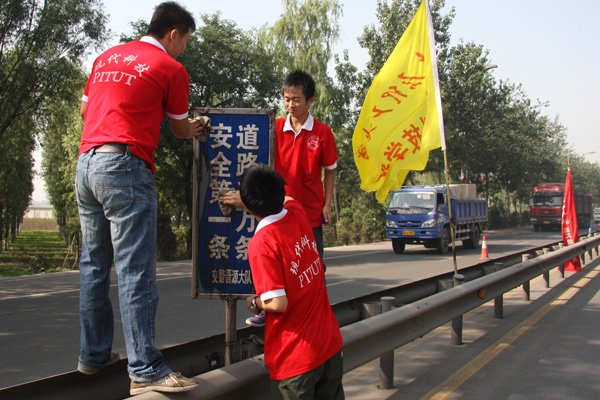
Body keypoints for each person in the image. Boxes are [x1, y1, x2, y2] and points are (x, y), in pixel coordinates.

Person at [76, 2, 207, 395]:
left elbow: (86, 110)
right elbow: (180, 129)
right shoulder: (170, 67)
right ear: (174, 34)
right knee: (136, 272)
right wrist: (198, 127)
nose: (183, 48)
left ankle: (93, 354)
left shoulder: (106, 57)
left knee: (94, 266)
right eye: (185, 40)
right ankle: (145, 367)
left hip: (86, 164)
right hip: (125, 168)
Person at [221, 70, 338, 328]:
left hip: (309, 215)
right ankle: (268, 308)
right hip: (275, 211)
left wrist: (327, 203)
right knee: (274, 265)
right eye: (286, 99)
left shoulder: (322, 133)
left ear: (311, 101)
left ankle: (317, 315)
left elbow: (330, 169)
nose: (290, 105)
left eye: (296, 99)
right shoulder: (272, 128)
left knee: (312, 267)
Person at [239, 164, 344, 400]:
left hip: (296, 360)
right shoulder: (296, 210)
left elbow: (277, 303)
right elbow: (287, 197)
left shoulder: (262, 243)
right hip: (328, 345)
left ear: (246, 207)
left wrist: (255, 302)